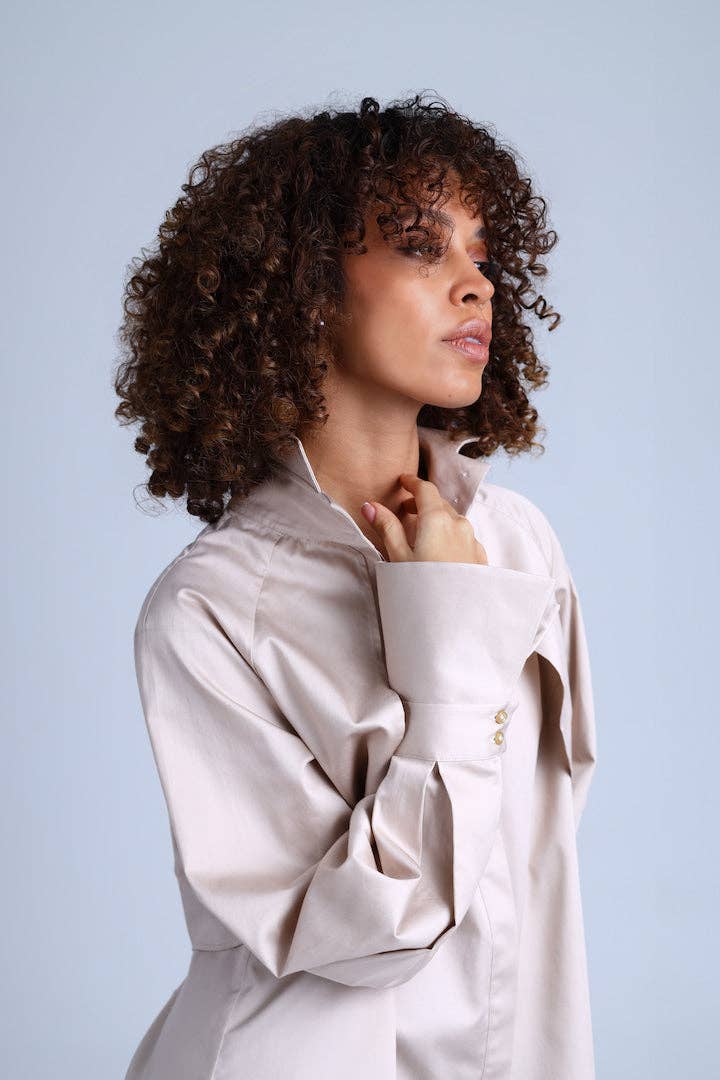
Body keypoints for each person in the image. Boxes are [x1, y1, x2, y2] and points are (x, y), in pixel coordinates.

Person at [114, 91, 598, 1079]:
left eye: (486, 257)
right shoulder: (211, 609)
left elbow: (536, 866)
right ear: (305, 288)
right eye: (425, 247)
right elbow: (373, 937)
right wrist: (450, 645)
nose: (478, 287)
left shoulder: (517, 544)